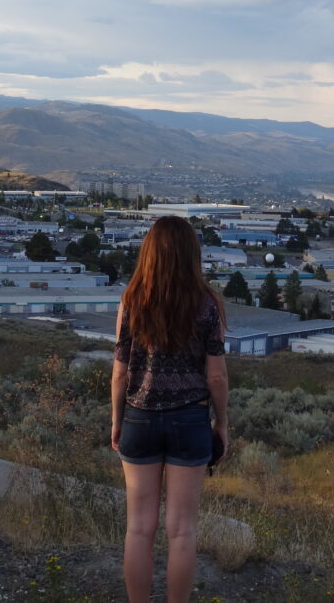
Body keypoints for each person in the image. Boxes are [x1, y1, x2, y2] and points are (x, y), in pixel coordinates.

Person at [111, 215, 229, 603]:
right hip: (191, 420)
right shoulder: (208, 305)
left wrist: (116, 421)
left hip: (139, 419)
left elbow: (119, 374)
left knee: (139, 529)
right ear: (190, 254)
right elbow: (216, 378)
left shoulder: (132, 300)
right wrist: (221, 423)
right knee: (182, 530)